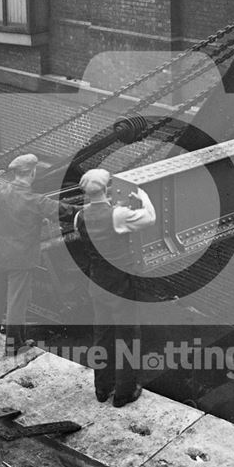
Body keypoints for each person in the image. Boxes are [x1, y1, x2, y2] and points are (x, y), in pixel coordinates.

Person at [74, 168, 156, 407]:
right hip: (120, 284)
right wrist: (142, 193)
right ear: (107, 188)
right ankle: (124, 393)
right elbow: (149, 217)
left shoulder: (79, 217)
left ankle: (102, 389)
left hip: (97, 282)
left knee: (102, 336)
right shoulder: (117, 215)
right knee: (128, 337)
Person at [0, 153, 76, 352]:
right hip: (19, 258)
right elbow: (66, 212)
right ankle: (15, 345)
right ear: (32, 173)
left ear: (14, 173)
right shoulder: (36, 200)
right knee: (16, 302)